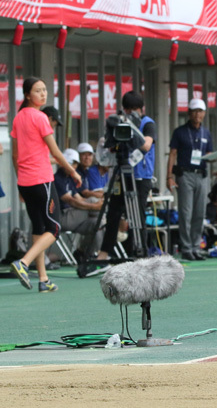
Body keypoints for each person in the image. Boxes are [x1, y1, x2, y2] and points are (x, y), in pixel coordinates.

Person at [10, 77, 81, 293]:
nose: (43, 94)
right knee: (54, 228)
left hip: (25, 182)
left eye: (44, 90)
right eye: (38, 91)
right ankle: (23, 262)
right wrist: (72, 171)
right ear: (28, 95)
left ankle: (43, 279)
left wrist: (19, 182)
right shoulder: (40, 117)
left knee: (39, 228)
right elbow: (56, 152)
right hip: (41, 180)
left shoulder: (18, 118)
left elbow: (16, 155)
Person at [95, 90, 157, 265]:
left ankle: (141, 253)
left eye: (135, 109)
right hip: (120, 174)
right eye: (128, 110)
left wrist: (133, 130)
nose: (131, 113)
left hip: (140, 177)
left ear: (142, 109)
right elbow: (110, 145)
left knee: (138, 215)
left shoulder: (148, 123)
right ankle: (103, 254)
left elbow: (146, 144)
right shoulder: (120, 123)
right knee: (113, 213)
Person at [167, 98, 215, 261]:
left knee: (200, 212)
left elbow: (209, 154)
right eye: (194, 111)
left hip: (201, 174)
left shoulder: (206, 132)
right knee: (185, 212)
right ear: (189, 113)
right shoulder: (180, 132)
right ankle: (186, 247)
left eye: (200, 111)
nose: (197, 114)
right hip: (185, 174)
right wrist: (169, 176)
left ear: (204, 113)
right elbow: (173, 154)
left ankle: (196, 247)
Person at [54, 148, 103, 261]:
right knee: (91, 201)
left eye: (75, 164)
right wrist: (95, 206)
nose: (74, 166)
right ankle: (110, 217)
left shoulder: (69, 178)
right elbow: (72, 201)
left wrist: (97, 204)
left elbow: (79, 198)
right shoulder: (57, 179)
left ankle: (84, 253)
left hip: (76, 218)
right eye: (72, 163)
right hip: (64, 218)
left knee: (98, 223)